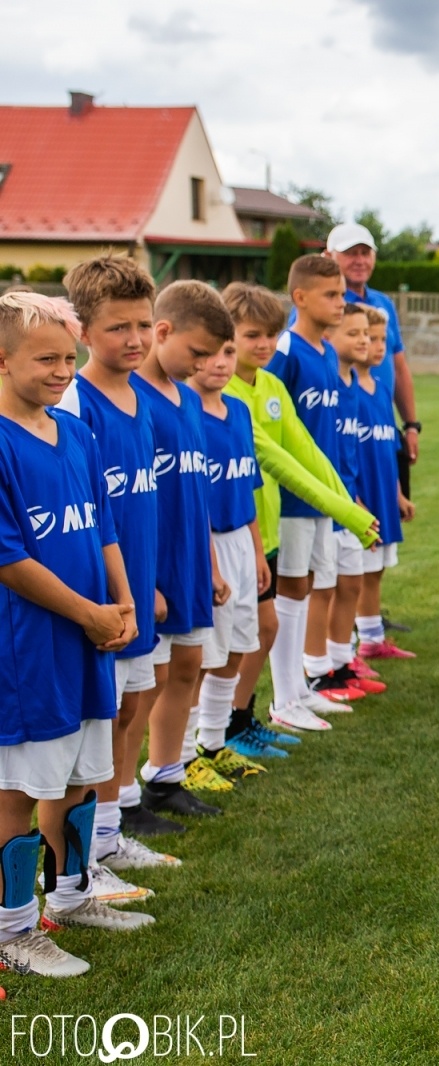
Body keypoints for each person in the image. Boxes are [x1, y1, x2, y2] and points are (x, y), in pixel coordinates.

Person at [0, 292, 150, 978]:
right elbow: (9, 559)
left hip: (92, 635)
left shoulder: (76, 432)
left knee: (85, 775)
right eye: (46, 360)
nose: (64, 371)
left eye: (69, 357)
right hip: (31, 649)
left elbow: (103, 525)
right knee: (19, 789)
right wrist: (88, 613)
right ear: (3, 360)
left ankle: (73, 894)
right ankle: (13, 929)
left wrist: (122, 601)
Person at [57, 256, 185, 861]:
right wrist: (108, 596)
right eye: (117, 327)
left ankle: (108, 836)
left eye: (142, 324)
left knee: (131, 707)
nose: (135, 339)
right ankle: (80, 857)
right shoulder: (74, 404)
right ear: (82, 331)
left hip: (137, 589)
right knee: (99, 723)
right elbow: (80, 517)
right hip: (102, 599)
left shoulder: (141, 397)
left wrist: (149, 582)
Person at [221, 283, 376, 736]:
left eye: (271, 334)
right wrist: (348, 514)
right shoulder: (224, 391)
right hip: (235, 527)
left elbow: (306, 450)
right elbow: (276, 460)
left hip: (266, 527)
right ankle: (228, 726)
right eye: (252, 335)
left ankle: (272, 703)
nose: (265, 344)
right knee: (231, 639)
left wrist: (347, 503)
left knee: (268, 621)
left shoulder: (270, 384)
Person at [134, 281, 233, 816]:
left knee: (189, 665)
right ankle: (120, 798)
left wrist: (211, 564)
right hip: (152, 565)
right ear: (163, 331)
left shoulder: (190, 399)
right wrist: (142, 580)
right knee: (145, 683)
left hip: (192, 561)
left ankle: (165, 776)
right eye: (196, 352)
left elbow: (198, 495)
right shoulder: (132, 398)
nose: (203, 365)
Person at [268, 256, 369, 718]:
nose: (341, 302)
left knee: (309, 586)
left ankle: (300, 686)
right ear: (300, 298)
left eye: (342, 293)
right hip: (292, 498)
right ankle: (284, 697)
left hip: (323, 497)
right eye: (331, 294)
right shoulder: (285, 352)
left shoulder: (327, 352)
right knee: (291, 589)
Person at [187, 340, 272, 785]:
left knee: (239, 643)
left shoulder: (238, 410)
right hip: (208, 542)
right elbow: (193, 498)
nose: (220, 364)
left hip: (240, 539)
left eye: (228, 352)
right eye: (207, 353)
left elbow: (246, 485)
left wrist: (257, 552)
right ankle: (183, 757)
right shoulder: (185, 414)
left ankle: (214, 742)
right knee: (201, 655)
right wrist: (212, 566)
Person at [323, 222, 420, 509]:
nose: (359, 261)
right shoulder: (326, 304)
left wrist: (411, 425)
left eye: (365, 253)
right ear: (329, 256)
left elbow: (398, 366)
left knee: (388, 512)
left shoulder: (383, 303)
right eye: (350, 253)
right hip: (347, 428)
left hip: (381, 425)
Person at [322, 304, 386, 701]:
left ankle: (342, 660)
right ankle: (321, 668)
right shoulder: (328, 382)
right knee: (325, 588)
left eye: (368, 333)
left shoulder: (350, 386)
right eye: (355, 333)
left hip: (348, 499)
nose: (364, 340)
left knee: (351, 582)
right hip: (331, 503)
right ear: (329, 337)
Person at [352, 304, 414, 662]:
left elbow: (388, 449)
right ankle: (346, 645)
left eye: (380, 340)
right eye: (368, 338)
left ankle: (372, 639)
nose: (376, 346)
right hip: (361, 498)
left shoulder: (379, 390)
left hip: (383, 494)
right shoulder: (347, 393)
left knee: (375, 570)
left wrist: (398, 494)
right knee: (353, 574)